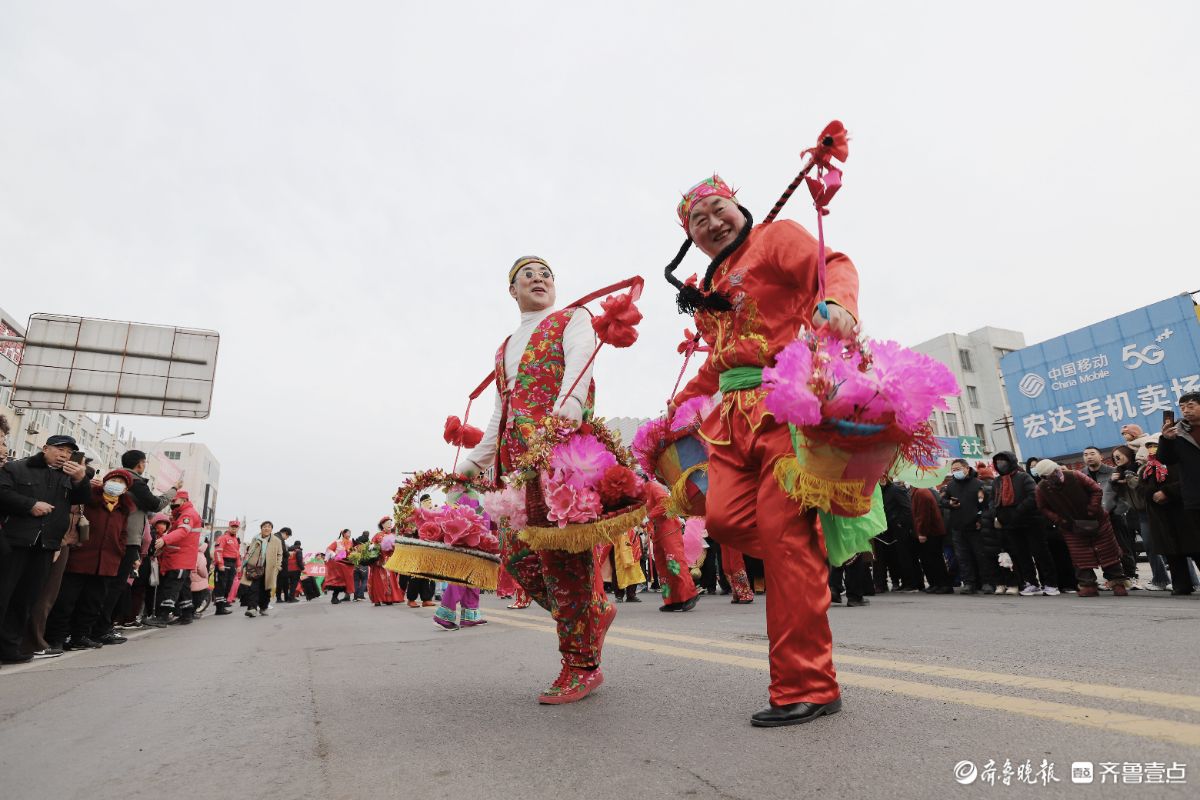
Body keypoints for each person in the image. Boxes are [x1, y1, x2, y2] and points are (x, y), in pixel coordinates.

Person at [663, 175, 858, 726]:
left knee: (784, 539)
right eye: (697, 221)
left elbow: (834, 265)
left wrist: (837, 302)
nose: (711, 223)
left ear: (737, 205)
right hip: (729, 424)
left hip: (782, 407)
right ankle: (802, 546)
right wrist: (674, 409)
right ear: (690, 238)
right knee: (723, 520)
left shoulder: (776, 237)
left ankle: (809, 685)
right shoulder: (713, 280)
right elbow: (717, 362)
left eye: (717, 209)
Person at [457, 255, 614, 704]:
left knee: (565, 563)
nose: (539, 279)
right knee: (520, 559)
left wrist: (569, 403)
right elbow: (499, 410)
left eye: (546, 273)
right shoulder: (505, 345)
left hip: (558, 453)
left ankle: (581, 664)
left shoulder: (571, 318)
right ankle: (594, 613)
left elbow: (582, 359)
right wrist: (477, 458)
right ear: (513, 290)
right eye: (528, 275)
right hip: (513, 463)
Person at [0, 435, 94, 665]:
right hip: (16, 541)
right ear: (45, 448)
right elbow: (2, 493)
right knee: (3, 594)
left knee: (26, 598)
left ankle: (10, 648)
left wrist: (81, 479)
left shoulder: (69, 477)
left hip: (47, 544)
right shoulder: (17, 468)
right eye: (59, 449)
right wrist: (29, 505)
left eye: (69, 452)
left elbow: (82, 500)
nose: (64, 455)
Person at [45, 469, 137, 650]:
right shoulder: (89, 500)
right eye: (114, 480)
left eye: (121, 482)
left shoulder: (123, 508)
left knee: (92, 603)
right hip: (80, 558)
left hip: (107, 563)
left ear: (126, 489)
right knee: (66, 601)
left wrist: (120, 549)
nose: (116, 484)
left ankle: (80, 636)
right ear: (104, 482)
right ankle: (56, 637)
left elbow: (123, 533)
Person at [94, 450, 179, 641]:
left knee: (107, 585)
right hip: (127, 539)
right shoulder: (134, 482)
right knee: (115, 585)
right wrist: (174, 489)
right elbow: (156, 504)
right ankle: (102, 628)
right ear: (140, 464)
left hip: (113, 537)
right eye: (144, 463)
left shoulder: (113, 478)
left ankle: (101, 626)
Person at [1033, 460, 1127, 597]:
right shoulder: (1041, 488)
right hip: (1070, 526)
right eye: (1049, 475)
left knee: (1108, 552)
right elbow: (1043, 508)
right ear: (1043, 477)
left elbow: (1096, 490)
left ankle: (1118, 583)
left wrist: (1092, 509)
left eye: (1055, 471)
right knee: (1081, 557)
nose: (1054, 475)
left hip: (1098, 520)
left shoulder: (1075, 475)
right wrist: (1060, 520)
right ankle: (1088, 585)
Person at [984, 452, 1059, 597]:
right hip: (1010, 525)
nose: (1000, 464)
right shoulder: (997, 481)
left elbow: (1033, 497)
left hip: (1030, 522)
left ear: (1011, 461)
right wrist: (996, 514)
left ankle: (1051, 584)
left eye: (1003, 461)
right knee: (1021, 555)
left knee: (1040, 553)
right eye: (998, 462)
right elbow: (992, 500)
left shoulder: (1023, 477)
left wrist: (1016, 512)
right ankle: (1031, 583)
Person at [1156, 393, 1200, 592]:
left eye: (1190, 405)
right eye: (1182, 407)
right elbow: (1166, 459)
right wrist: (1165, 439)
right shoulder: (1178, 433)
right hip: (1194, 496)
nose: (1185, 410)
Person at [145, 490, 204, 627]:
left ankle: (163, 616)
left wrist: (164, 540)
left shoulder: (188, 514)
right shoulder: (183, 514)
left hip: (180, 559)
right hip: (182, 559)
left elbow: (182, 532)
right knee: (183, 589)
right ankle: (187, 615)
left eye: (174, 501)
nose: (172, 504)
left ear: (183, 500)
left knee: (170, 588)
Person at [1082, 445, 1137, 584]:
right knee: (1104, 549)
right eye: (1086, 454)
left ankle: (1131, 575)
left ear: (1101, 457)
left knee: (1123, 547)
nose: (1089, 456)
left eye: (1092, 453)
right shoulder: (1081, 475)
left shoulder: (1114, 471)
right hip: (1096, 519)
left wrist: (1118, 511)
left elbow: (1124, 494)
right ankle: (1112, 578)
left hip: (1114, 515)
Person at [642, 482, 698, 612]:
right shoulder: (639, 493)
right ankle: (672, 600)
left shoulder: (653, 487)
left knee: (675, 563)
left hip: (669, 530)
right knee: (662, 568)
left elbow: (666, 503)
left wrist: (649, 516)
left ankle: (690, 595)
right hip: (657, 532)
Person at [941, 459, 994, 594]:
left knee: (980, 555)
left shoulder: (978, 484)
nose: (956, 472)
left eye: (958, 468)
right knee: (963, 557)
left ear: (966, 468)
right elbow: (942, 501)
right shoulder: (951, 486)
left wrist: (980, 520)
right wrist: (949, 504)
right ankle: (969, 583)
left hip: (975, 526)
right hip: (958, 527)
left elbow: (986, 505)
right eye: (953, 470)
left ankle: (987, 582)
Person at [876, 478, 923, 592]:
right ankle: (906, 582)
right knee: (898, 557)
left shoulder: (896, 490)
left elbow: (907, 508)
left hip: (900, 529)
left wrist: (900, 523)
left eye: (884, 476)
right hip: (888, 530)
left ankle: (912, 583)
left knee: (906, 556)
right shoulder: (880, 491)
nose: (881, 479)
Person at [911, 484, 952, 593]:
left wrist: (922, 532)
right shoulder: (919, 491)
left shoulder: (921, 492)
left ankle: (943, 585)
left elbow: (923, 515)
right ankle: (936, 584)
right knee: (929, 559)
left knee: (934, 559)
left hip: (931, 532)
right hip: (931, 531)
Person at [241, 521, 283, 617]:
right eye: (264, 526)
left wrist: (278, 566)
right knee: (253, 588)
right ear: (261, 528)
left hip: (269, 568)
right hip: (255, 567)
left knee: (266, 588)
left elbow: (279, 554)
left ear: (271, 529)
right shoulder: (256, 538)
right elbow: (250, 551)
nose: (266, 528)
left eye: (269, 527)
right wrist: (245, 563)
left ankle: (263, 608)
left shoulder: (276, 540)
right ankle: (252, 608)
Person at [367, 518, 402, 606]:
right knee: (378, 581)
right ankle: (378, 599)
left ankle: (388, 599)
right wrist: (373, 547)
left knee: (390, 580)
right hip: (379, 561)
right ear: (382, 525)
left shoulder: (394, 535)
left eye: (390, 523)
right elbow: (371, 546)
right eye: (387, 523)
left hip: (389, 561)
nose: (389, 525)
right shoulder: (378, 535)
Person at [212, 521, 242, 615]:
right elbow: (218, 551)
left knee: (228, 586)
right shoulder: (223, 538)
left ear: (238, 528)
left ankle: (223, 606)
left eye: (236, 527)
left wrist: (239, 565)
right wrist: (220, 564)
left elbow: (237, 554)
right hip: (224, 563)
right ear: (229, 527)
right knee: (221, 586)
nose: (234, 528)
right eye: (232, 527)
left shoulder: (236, 540)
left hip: (232, 564)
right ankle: (219, 608)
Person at [324, 529, 356, 604]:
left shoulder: (351, 542)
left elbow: (352, 551)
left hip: (347, 564)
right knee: (339, 582)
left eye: (350, 533)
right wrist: (334, 555)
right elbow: (328, 549)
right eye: (348, 532)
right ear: (343, 534)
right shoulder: (337, 542)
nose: (349, 534)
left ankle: (345, 596)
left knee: (346, 581)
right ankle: (334, 597)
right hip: (338, 564)